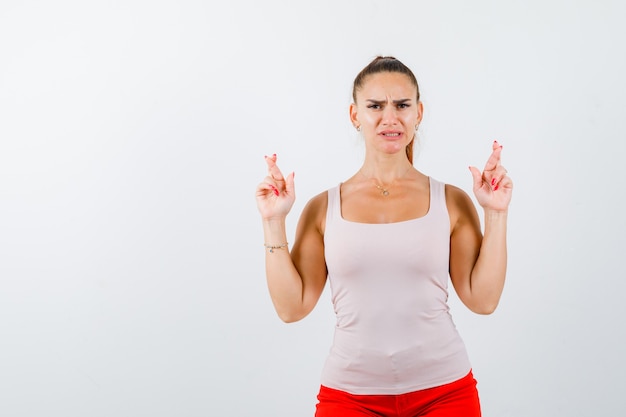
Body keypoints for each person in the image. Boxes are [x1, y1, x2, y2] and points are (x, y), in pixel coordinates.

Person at [255, 56, 512, 417]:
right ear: (354, 114)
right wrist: (273, 220)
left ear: (418, 112)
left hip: (445, 393)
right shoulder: (322, 209)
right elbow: (291, 307)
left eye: (402, 105)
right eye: (375, 106)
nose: (390, 118)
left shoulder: (451, 201)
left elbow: (483, 300)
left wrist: (496, 212)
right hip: (349, 397)